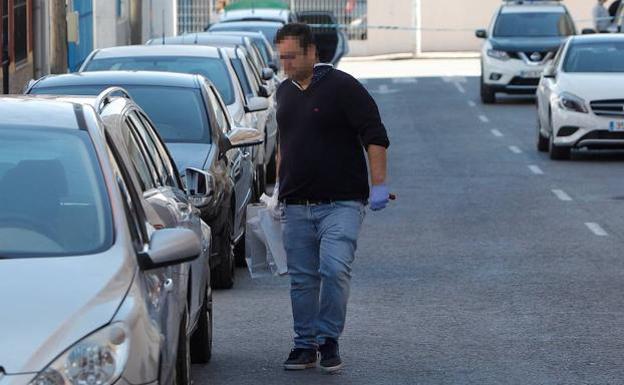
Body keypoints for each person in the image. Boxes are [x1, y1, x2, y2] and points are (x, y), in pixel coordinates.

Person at [274, 23, 391, 373]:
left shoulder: (344, 88)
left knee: (335, 269)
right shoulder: (284, 93)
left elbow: (375, 135)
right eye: (282, 58)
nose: (286, 64)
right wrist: (277, 189)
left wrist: (379, 185)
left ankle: (328, 340)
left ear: (312, 52)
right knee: (302, 278)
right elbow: (284, 143)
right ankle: (304, 345)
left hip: (341, 204)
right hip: (295, 206)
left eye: (292, 56)